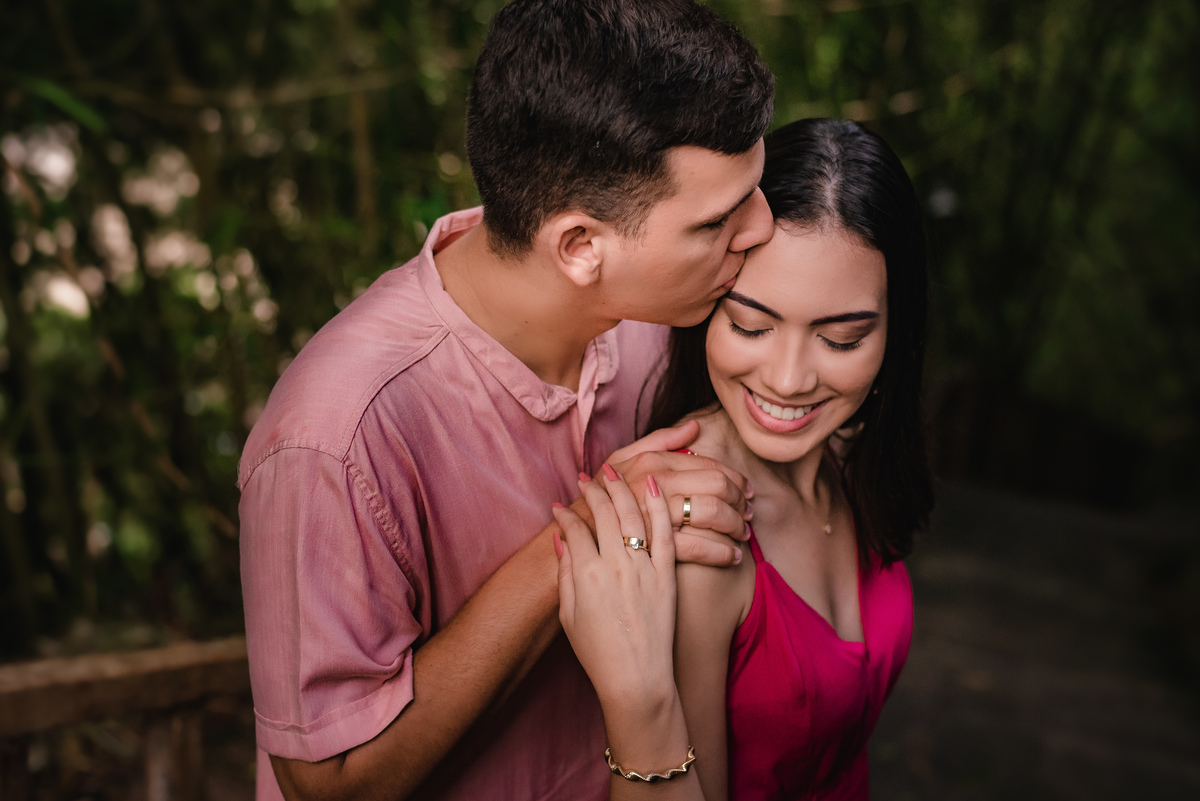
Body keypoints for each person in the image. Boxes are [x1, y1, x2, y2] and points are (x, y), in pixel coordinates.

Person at [237, 1, 777, 800]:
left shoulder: (666, 328)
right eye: (716, 220)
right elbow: (328, 782)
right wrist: (593, 530)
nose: (761, 228)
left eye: (755, 194)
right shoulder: (334, 435)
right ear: (580, 245)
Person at [552, 117, 934, 800]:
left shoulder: (846, 452)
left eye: (841, 340)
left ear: (894, 334)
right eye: (751, 325)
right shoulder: (699, 524)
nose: (788, 380)